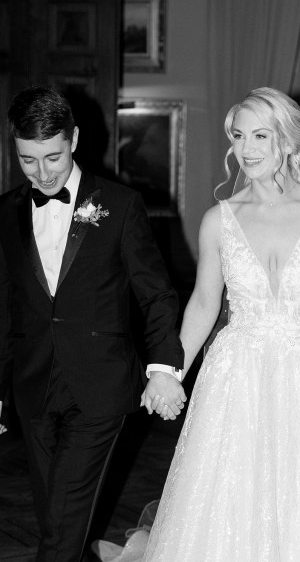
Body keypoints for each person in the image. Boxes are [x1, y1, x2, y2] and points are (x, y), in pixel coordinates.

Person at [112, 86, 300, 562]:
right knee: (231, 495)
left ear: (286, 142)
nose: (247, 148)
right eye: (239, 136)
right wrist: (167, 371)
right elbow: (201, 303)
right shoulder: (219, 220)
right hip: (236, 373)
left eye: (261, 135)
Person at [0, 86, 186, 562]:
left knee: (60, 528)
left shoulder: (121, 205)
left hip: (101, 387)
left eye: (53, 159)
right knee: (58, 518)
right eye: (27, 161)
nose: (42, 174)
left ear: (75, 139)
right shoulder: (4, 213)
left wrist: (163, 366)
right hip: (32, 385)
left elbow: (157, 292)